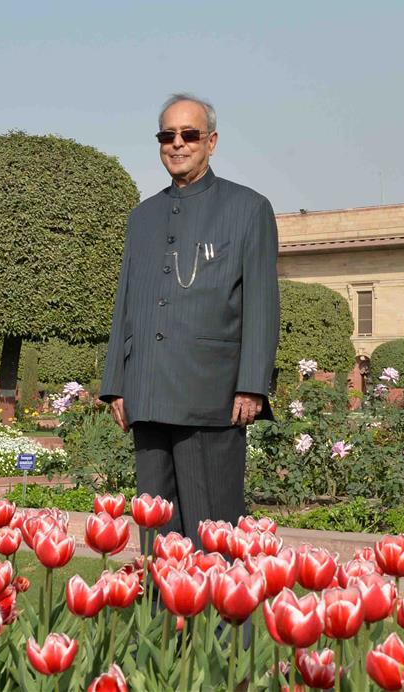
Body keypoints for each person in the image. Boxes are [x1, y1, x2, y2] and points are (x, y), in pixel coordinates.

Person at [99, 93, 279, 542]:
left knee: (210, 531)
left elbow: (261, 302)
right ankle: (160, 614)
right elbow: (127, 301)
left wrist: (252, 384)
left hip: (211, 397)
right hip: (148, 391)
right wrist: (117, 383)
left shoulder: (247, 209)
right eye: (167, 135)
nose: (177, 144)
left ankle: (216, 615)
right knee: (155, 533)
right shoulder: (142, 217)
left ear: (211, 141)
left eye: (189, 134)